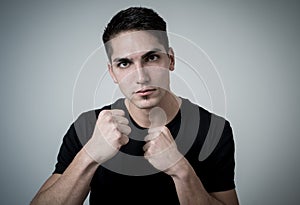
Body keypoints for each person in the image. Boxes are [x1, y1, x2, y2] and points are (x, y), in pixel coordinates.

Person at [31, 6, 239, 205]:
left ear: (171, 60)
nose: (141, 77)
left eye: (151, 58)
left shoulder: (212, 129)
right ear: (112, 72)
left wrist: (181, 170)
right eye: (124, 63)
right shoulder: (88, 126)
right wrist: (90, 155)